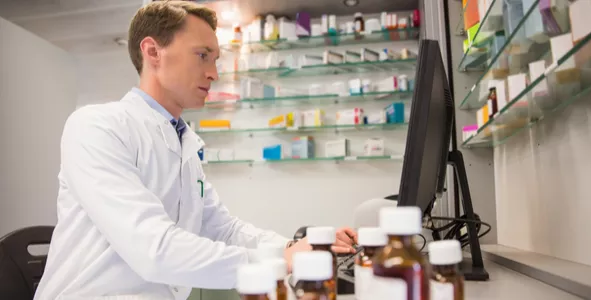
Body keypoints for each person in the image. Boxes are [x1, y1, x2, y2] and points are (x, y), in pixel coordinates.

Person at [34, 1, 358, 299]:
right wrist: (281, 260)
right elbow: (154, 250)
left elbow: (223, 229)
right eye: (202, 55)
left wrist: (294, 246)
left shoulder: (182, 142)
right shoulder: (96, 127)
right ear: (153, 52)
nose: (214, 74)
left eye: (215, 59)